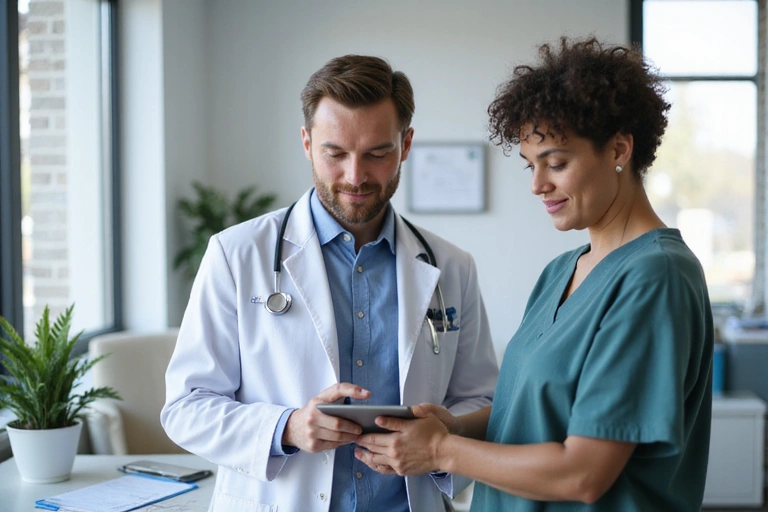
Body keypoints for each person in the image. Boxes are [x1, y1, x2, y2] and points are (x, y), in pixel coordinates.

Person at [355, 37, 714, 511]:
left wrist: (441, 451)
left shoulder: (656, 277)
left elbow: (583, 473)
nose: (537, 185)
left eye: (557, 164)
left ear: (619, 149)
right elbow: (530, 410)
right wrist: (452, 427)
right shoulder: (561, 272)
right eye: (530, 166)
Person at [160, 54, 499, 512]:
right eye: (334, 153)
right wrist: (288, 428)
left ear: (406, 145)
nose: (355, 176)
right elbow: (187, 407)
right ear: (306, 143)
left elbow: (480, 399)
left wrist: (440, 441)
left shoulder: (452, 266)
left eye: (377, 153)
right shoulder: (237, 253)